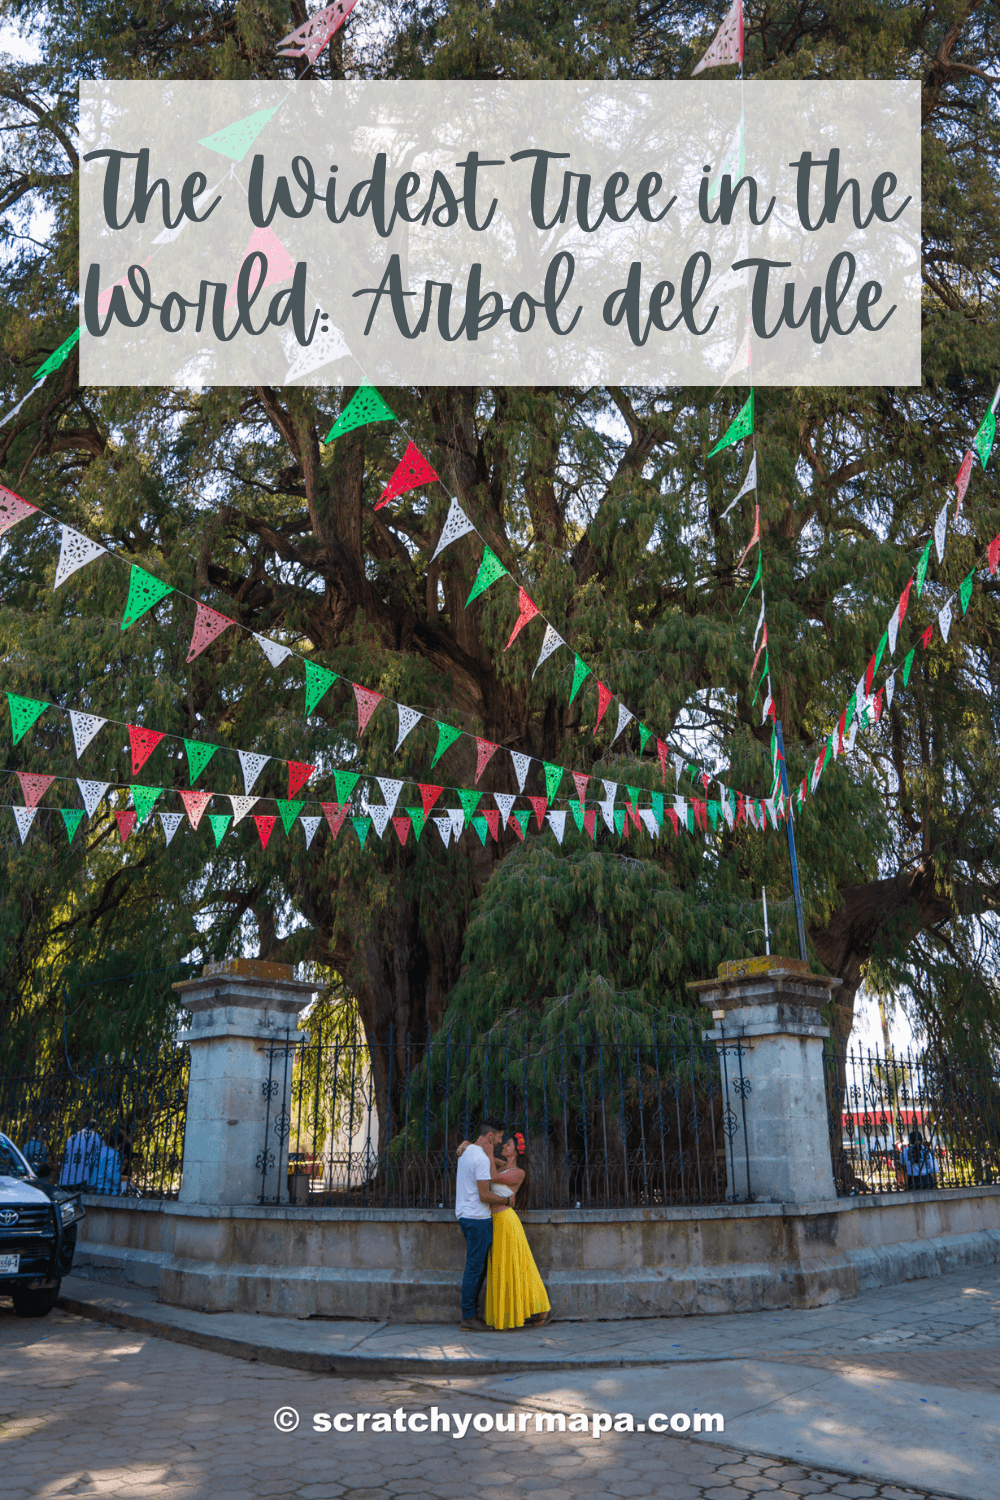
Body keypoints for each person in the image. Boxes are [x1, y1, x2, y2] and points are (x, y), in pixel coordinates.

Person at [482, 1133, 551, 1331]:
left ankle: (542, 1308)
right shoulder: (505, 1166)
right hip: (496, 1221)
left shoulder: (518, 1172)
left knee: (519, 1268)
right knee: (505, 1269)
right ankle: (509, 1312)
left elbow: (493, 1177)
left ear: (516, 1151)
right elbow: (490, 1162)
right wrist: (473, 1146)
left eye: (508, 1144)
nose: (504, 1145)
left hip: (506, 1221)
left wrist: (488, 1151)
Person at [454, 1116, 510, 1331]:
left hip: (468, 1216)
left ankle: (471, 1314)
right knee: (475, 1269)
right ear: (489, 1135)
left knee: (477, 1268)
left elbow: (500, 1165)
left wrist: (468, 1143)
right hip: (477, 1219)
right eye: (499, 1137)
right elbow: (485, 1194)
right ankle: (468, 1317)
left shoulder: (469, 1151)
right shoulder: (480, 1159)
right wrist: (506, 1200)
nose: (499, 1141)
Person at [59, 1119, 102, 1189]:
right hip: (82, 1179)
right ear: (95, 1128)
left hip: (65, 1178)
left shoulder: (72, 1137)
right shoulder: (96, 1138)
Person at [91, 1127, 124, 1195]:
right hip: (107, 1189)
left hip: (95, 1187)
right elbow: (112, 1175)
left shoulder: (100, 1151)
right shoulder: (114, 1154)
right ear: (119, 1143)